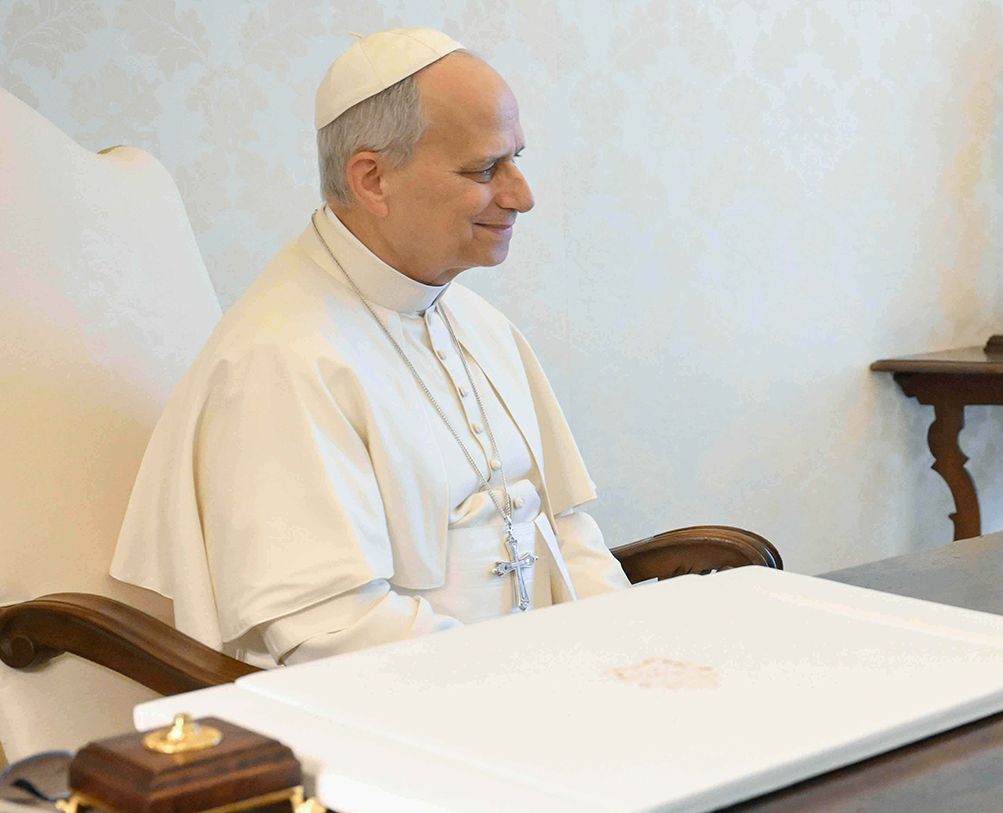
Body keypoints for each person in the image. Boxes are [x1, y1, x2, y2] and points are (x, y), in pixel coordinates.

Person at [112, 28, 630, 666]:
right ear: (373, 179)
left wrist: (627, 658)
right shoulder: (282, 359)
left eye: (517, 158)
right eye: (485, 168)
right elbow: (331, 629)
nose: (522, 195)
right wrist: (523, 686)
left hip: (535, 689)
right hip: (406, 718)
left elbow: (566, 534)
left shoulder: (480, 325)